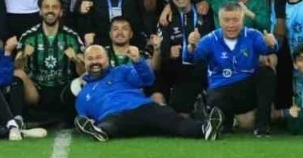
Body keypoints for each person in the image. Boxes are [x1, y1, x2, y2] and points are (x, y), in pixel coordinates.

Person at [74, 45, 219, 141]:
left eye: (99, 57)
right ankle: (100, 132)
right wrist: (89, 125)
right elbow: (83, 120)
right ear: (85, 62)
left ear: (107, 59)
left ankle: (205, 129)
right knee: (110, 124)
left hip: (143, 108)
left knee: (173, 120)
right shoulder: (82, 95)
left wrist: (138, 61)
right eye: (90, 59)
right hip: (114, 116)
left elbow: (148, 79)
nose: (95, 62)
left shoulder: (121, 71)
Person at [187, 2, 279, 135]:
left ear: (242, 20)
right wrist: (191, 47)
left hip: (247, 90)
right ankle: (225, 124)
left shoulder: (252, 35)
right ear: (219, 21)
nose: (231, 25)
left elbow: (268, 48)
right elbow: (192, 57)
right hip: (221, 90)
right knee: (216, 99)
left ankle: (262, 126)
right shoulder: (211, 39)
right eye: (226, 20)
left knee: (267, 73)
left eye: (235, 20)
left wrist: (272, 44)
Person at [13, 0, 85, 124]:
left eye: (55, 7)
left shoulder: (72, 36)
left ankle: (80, 119)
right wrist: (24, 56)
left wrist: (76, 60)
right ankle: (17, 121)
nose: (50, 10)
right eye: (46, 7)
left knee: (83, 81)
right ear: (40, 11)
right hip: (36, 91)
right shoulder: (29, 36)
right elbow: (18, 69)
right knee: (17, 74)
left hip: (63, 90)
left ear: (61, 12)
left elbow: (83, 72)